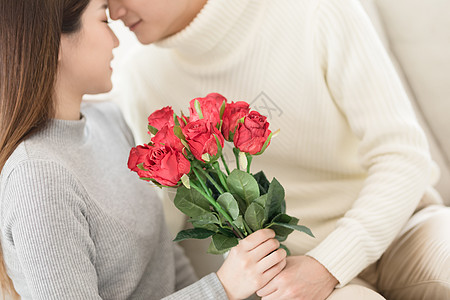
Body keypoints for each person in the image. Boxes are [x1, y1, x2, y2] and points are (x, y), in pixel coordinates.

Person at [107, 0, 450, 299]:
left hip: (404, 231)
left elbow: (403, 156)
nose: (114, 10)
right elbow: (158, 231)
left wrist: (329, 263)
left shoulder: (315, 10)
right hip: (291, 276)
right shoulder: (143, 78)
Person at [0, 0, 288, 299]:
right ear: (53, 43)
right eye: (104, 21)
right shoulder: (37, 177)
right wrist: (222, 288)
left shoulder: (109, 122)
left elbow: (164, 261)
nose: (115, 40)